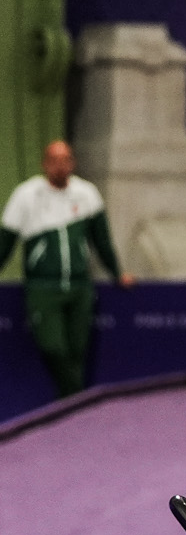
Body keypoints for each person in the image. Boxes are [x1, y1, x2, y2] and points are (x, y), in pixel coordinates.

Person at [0, 141, 131, 398]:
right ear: (44, 164)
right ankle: (78, 401)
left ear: (73, 163)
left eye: (66, 160)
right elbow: (5, 242)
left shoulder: (87, 194)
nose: (61, 166)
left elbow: (101, 240)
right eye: (54, 160)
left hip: (80, 287)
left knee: (77, 351)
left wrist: (117, 273)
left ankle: (71, 410)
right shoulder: (25, 195)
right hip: (43, 288)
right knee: (53, 347)